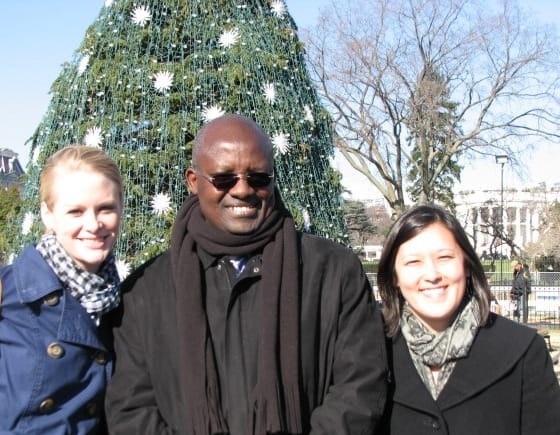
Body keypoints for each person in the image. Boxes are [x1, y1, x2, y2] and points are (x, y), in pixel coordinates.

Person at [105, 114, 388, 434]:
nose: (242, 190)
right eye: (224, 179)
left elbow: (360, 387)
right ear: (194, 181)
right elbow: (131, 407)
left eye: (258, 178)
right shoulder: (145, 290)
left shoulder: (333, 272)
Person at [377, 205, 560, 435]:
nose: (432, 275)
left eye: (444, 257)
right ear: (394, 276)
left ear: (466, 265)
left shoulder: (524, 351)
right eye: (413, 262)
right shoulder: (372, 350)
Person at [0, 145, 124, 433]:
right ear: (48, 214)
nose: (93, 224)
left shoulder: (124, 302)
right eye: (75, 211)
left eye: (105, 208)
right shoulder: (8, 292)